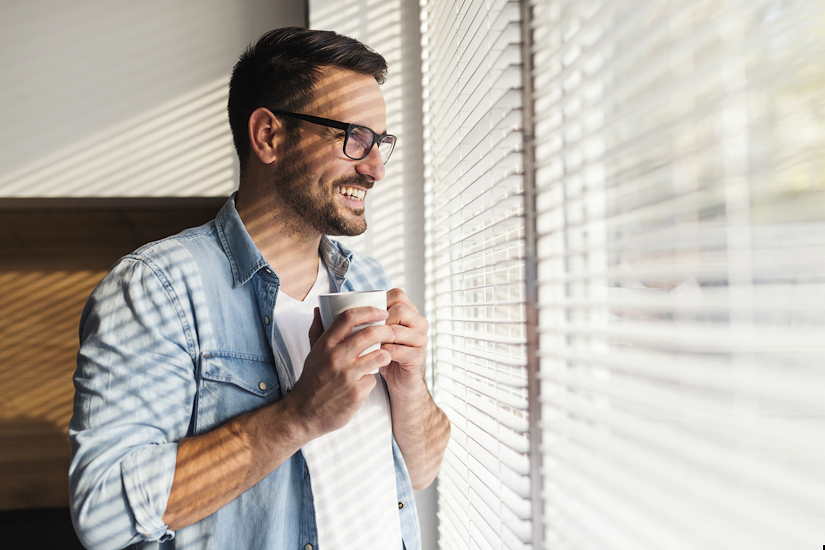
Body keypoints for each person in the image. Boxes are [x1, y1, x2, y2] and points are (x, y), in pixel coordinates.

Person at [68, 27, 451, 550]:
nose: (376, 168)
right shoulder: (158, 289)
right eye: (354, 138)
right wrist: (299, 415)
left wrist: (410, 386)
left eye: (380, 141)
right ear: (269, 136)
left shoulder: (369, 283)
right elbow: (105, 513)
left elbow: (420, 472)